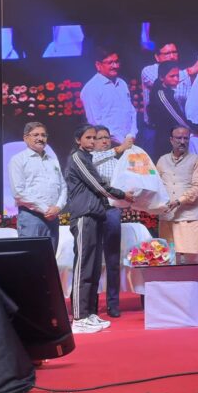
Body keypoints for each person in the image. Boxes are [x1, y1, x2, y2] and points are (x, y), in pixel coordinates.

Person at [65, 125, 134, 334]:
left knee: (94, 268)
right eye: (89, 137)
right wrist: (123, 195)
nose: (93, 141)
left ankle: (89, 313)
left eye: (95, 138)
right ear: (78, 140)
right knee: (83, 267)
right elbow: (98, 185)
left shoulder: (87, 158)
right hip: (84, 215)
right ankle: (79, 318)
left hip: (96, 214)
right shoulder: (78, 157)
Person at [92, 125, 134, 318]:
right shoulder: (89, 158)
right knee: (92, 260)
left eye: (107, 138)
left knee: (112, 260)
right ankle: (90, 303)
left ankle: (113, 303)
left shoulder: (118, 162)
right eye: (100, 138)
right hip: (93, 210)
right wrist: (120, 148)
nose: (104, 141)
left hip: (112, 211)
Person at [8, 121, 67, 251]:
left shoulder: (53, 160)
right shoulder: (18, 160)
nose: (40, 138)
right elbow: (18, 193)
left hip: (52, 218)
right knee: (30, 258)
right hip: (31, 217)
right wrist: (46, 210)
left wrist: (58, 207)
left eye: (43, 135)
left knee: (50, 258)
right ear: (25, 138)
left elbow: (63, 187)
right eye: (36, 135)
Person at [156, 127, 198, 264]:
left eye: (186, 138)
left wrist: (179, 201)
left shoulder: (195, 160)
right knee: (169, 260)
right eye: (179, 138)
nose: (182, 141)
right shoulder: (162, 160)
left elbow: (197, 188)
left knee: (192, 261)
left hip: (189, 217)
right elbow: (156, 185)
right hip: (167, 218)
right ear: (171, 140)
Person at [147, 60, 198, 158]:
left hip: (170, 139)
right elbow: (179, 120)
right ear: (162, 77)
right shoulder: (162, 95)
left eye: (177, 76)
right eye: (172, 76)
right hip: (165, 142)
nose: (176, 79)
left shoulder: (165, 91)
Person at [80, 47, 138, 143]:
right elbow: (96, 122)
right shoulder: (91, 88)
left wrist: (132, 134)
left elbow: (131, 111)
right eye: (110, 63)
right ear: (98, 65)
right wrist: (120, 140)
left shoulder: (122, 83)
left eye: (116, 62)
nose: (115, 66)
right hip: (107, 144)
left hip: (129, 141)